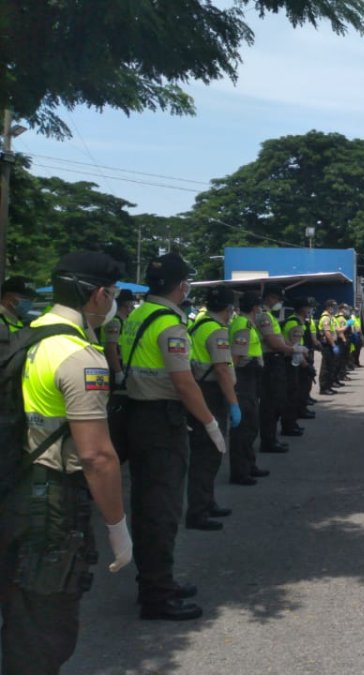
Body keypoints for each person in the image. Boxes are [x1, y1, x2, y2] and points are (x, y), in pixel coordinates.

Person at [0, 252, 133, 673]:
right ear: (97, 295)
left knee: (20, 611)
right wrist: (117, 527)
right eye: (111, 295)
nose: (112, 303)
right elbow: (96, 456)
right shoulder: (80, 357)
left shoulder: (26, 334)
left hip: (15, 484)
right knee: (46, 626)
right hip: (51, 504)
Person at [119, 252, 221, 620]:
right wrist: (210, 422)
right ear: (182, 286)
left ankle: (156, 580)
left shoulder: (138, 315)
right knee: (160, 510)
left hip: (137, 415)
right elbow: (184, 381)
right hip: (161, 422)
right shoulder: (170, 324)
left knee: (149, 506)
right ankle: (157, 595)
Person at [184, 287, 240, 531]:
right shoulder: (216, 331)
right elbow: (221, 370)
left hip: (200, 389)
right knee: (208, 454)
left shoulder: (198, 324)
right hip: (211, 393)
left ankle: (208, 501)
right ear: (228, 309)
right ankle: (198, 512)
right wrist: (234, 403)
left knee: (206, 453)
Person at [256, 285, 305, 448]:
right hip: (270, 361)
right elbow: (272, 342)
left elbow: (279, 339)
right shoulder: (263, 316)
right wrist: (291, 349)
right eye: (278, 299)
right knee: (270, 403)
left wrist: (291, 347)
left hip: (276, 360)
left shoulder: (269, 315)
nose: (279, 303)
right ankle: (268, 441)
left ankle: (271, 438)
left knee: (277, 400)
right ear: (269, 297)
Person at [229, 292, 270, 485]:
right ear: (255, 308)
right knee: (244, 428)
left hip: (251, 377)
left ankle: (249, 465)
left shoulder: (246, 324)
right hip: (244, 377)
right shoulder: (243, 325)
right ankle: (240, 471)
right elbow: (236, 358)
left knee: (251, 425)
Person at [102, 289, 137, 463]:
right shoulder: (115, 322)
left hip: (123, 370)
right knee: (115, 412)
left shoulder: (126, 321)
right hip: (114, 370)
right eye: (131, 302)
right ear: (125, 303)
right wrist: (117, 372)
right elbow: (111, 348)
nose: (133, 305)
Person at [281, 298, 315, 434]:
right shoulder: (294, 323)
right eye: (309, 308)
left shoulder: (300, 322)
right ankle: (289, 424)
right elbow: (294, 348)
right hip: (292, 363)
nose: (310, 310)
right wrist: (305, 365)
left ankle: (295, 418)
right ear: (302, 308)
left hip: (297, 361)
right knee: (292, 394)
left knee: (298, 391)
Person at [317, 299, 339, 395]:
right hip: (327, 345)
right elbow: (327, 333)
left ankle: (328, 386)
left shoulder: (330, 317)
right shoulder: (325, 318)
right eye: (332, 307)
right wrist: (333, 345)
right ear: (328, 307)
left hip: (330, 344)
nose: (334, 309)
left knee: (330, 366)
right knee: (326, 367)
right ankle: (324, 388)